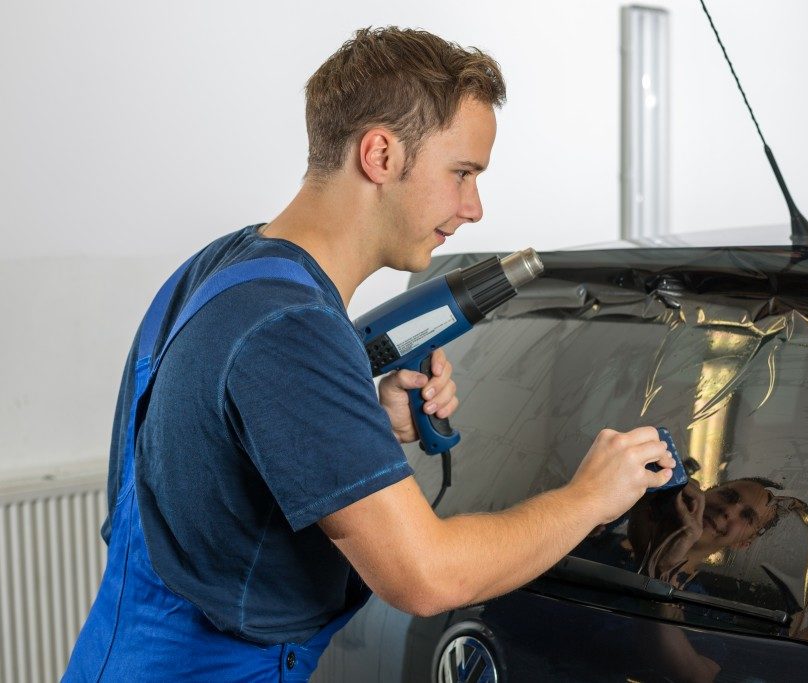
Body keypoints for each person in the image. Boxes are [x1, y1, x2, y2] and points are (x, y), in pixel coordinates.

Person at [63, 27, 675, 681]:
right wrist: (591, 496)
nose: (474, 207)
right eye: (462, 173)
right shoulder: (288, 329)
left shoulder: (225, 266)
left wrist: (361, 418)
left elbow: (204, 457)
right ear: (380, 154)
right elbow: (427, 577)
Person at [627, 477, 782, 586]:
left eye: (747, 516)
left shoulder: (698, 607)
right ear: (706, 491)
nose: (727, 510)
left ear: (742, 544)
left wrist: (662, 568)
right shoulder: (626, 519)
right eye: (728, 495)